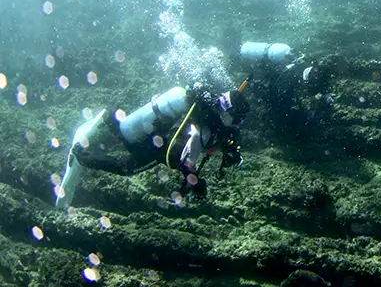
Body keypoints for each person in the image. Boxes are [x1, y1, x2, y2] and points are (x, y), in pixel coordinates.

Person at [55, 82, 249, 208]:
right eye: (238, 120)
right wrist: (196, 185)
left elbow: (220, 144)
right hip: (158, 147)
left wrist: (230, 153)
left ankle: (110, 118)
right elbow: (188, 162)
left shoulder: (209, 116)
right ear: (229, 114)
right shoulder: (204, 128)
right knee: (127, 167)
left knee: (130, 139)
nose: (238, 124)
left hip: (156, 134)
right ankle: (81, 157)